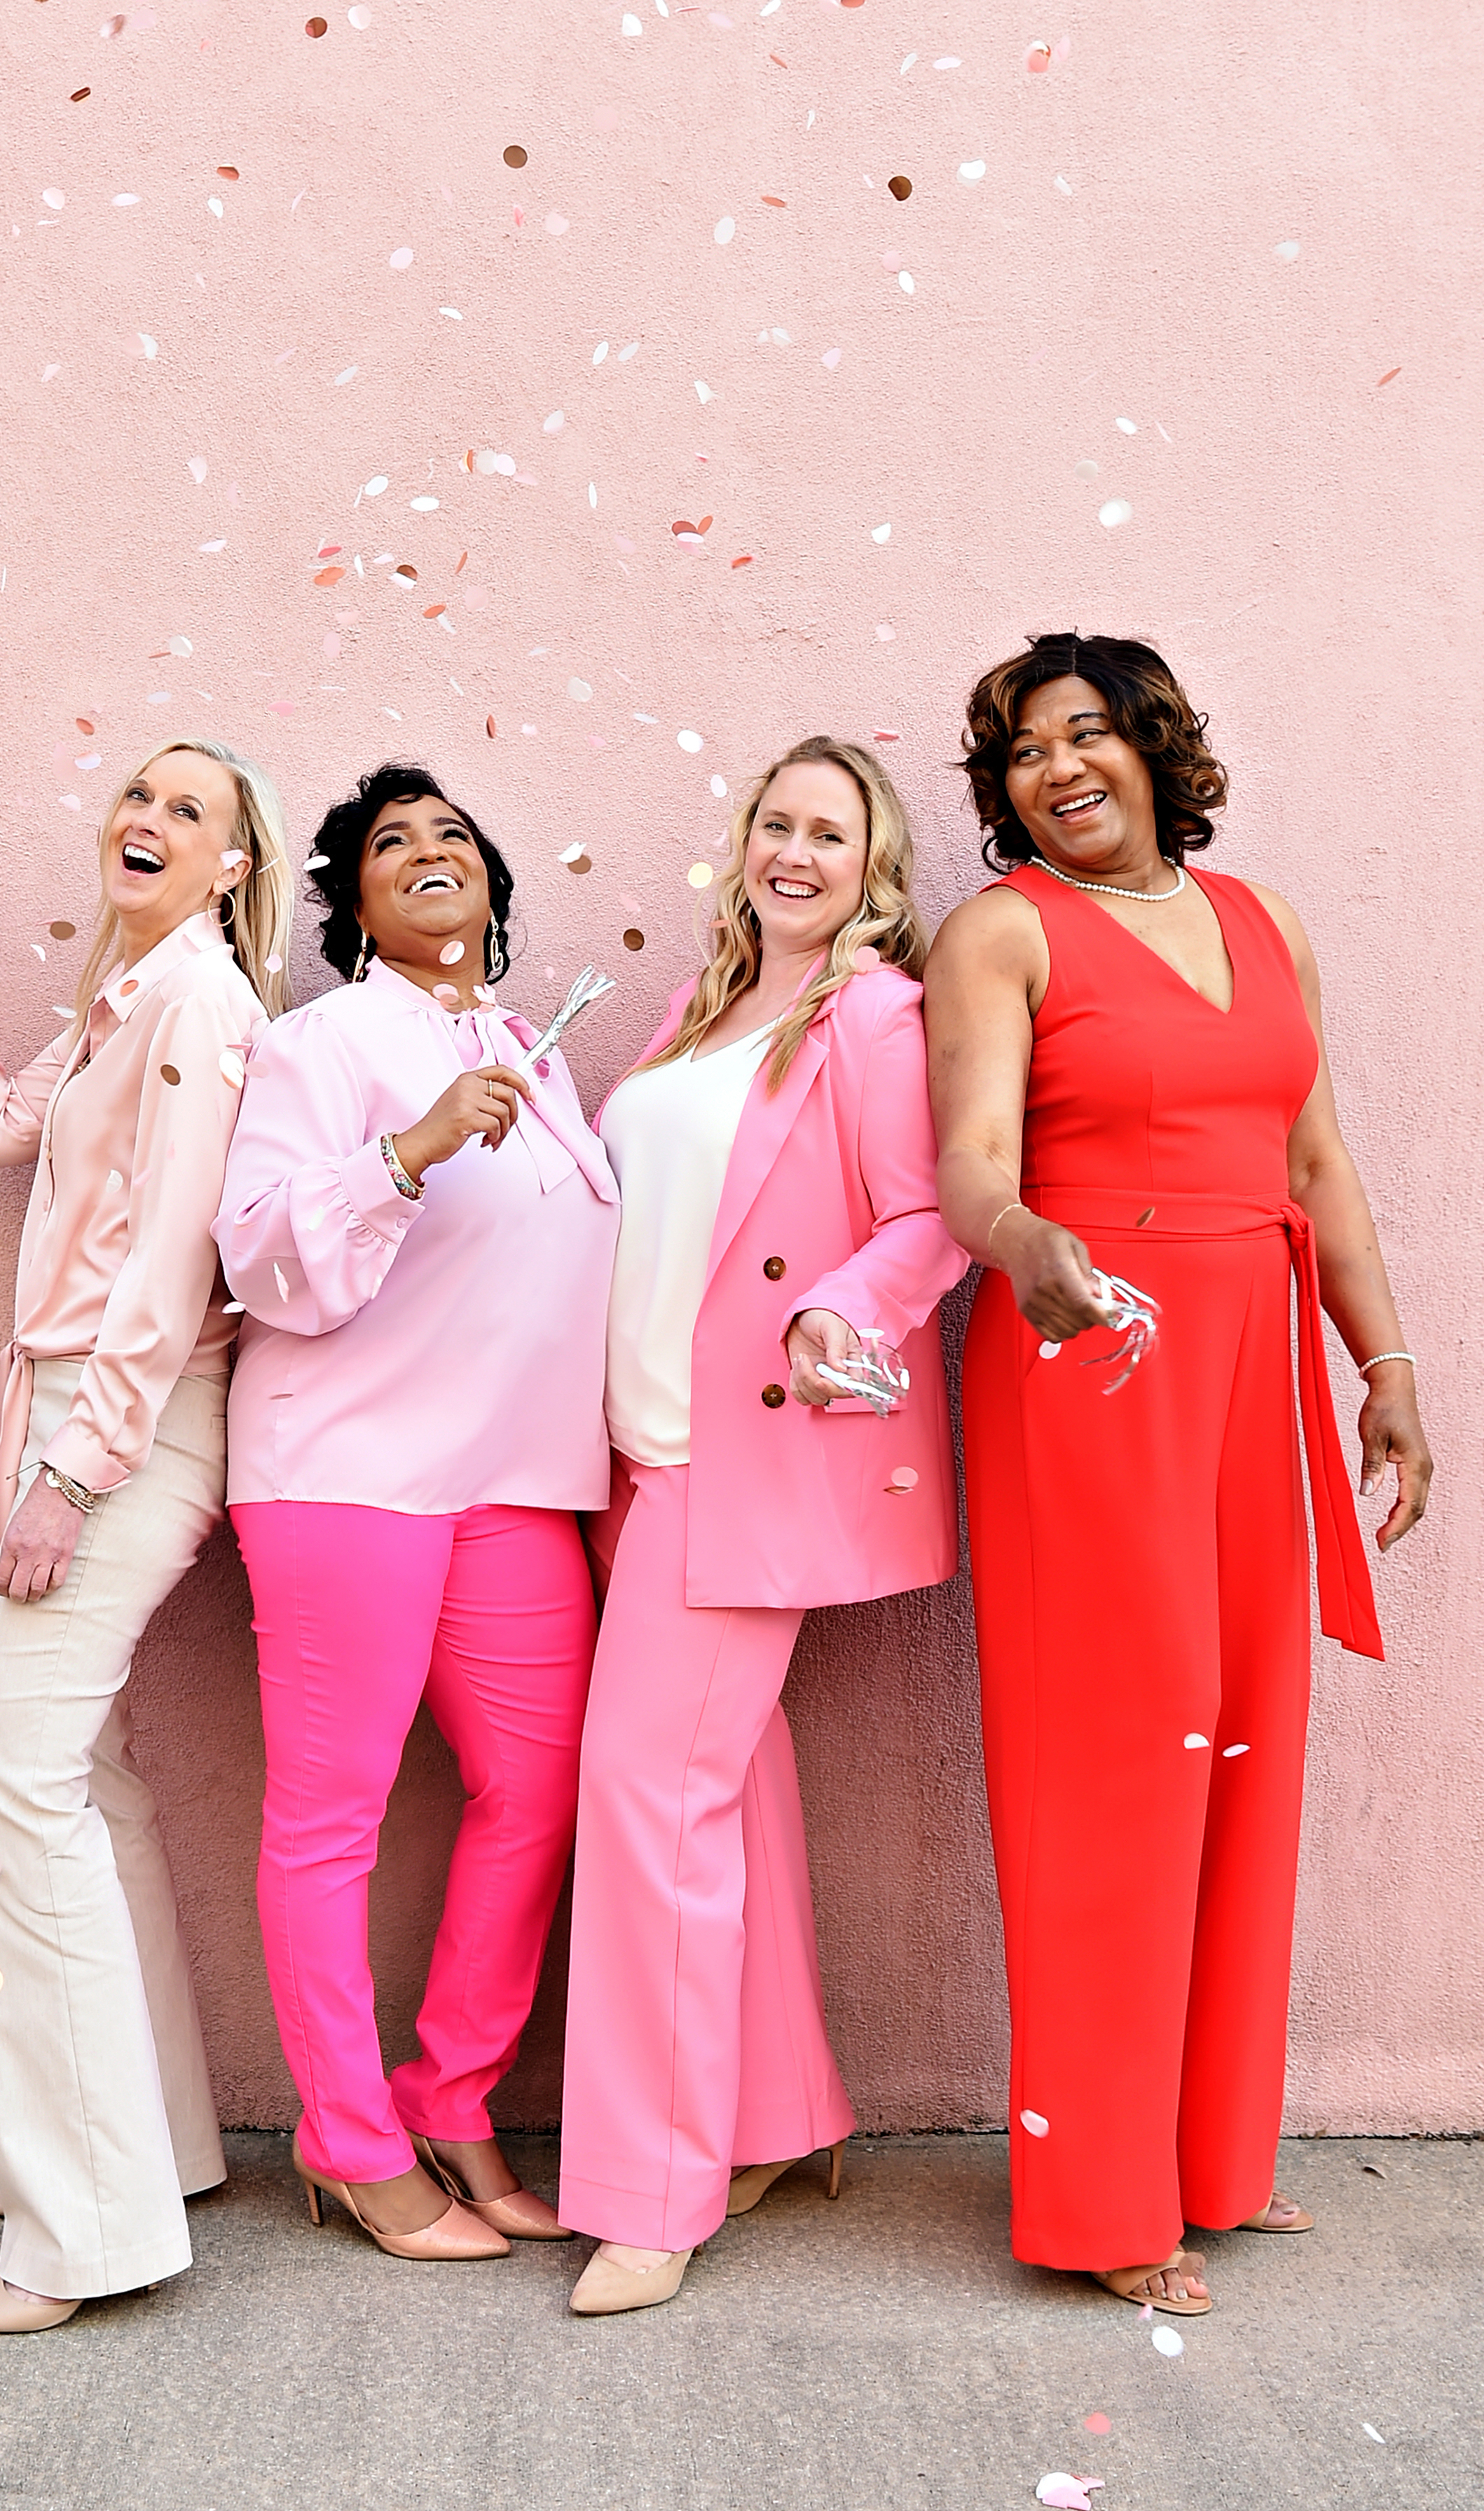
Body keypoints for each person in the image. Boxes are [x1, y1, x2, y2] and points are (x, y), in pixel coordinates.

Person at [924, 633, 1434, 2318]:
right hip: (1095, 1349)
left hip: (1252, 1359)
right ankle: (1100, 2197)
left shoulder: (1269, 922)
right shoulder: (1002, 935)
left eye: (1089, 736)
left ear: (1156, 747)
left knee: (1244, 1733)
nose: (1059, 770)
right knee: (1112, 1755)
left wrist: (1387, 1368)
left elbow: (1313, 1158)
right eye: (1022, 753)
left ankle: (1212, 2162)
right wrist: (1033, 1252)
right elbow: (973, 1175)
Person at [556, 736, 968, 2317]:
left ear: (873, 869)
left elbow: (929, 1214)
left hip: (746, 1463)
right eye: (776, 825)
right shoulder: (703, 1006)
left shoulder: (874, 1015)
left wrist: (844, 1316)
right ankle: (784, 2120)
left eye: (831, 834)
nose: (798, 852)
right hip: (641, 1460)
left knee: (647, 1795)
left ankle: (653, 2199)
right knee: (730, 1788)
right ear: (741, 845)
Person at [0, 739, 291, 2334]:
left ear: (235, 866)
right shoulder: (128, 998)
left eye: (190, 810)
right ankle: (154, 2155)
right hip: (67, 1415)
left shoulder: (199, 1005)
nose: (150, 819)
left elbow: (175, 1268)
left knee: (16, 1783)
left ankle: (81, 2235)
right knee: (89, 1782)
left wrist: (76, 1470)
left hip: (113, 1423)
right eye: (139, 795)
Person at [215, 764, 619, 2262]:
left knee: (541, 1785)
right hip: (347, 1474)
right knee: (331, 1823)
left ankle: (451, 2096)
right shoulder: (323, 1044)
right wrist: (416, 1145)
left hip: (512, 1481)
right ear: (355, 903)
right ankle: (348, 2141)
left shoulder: (534, 1052)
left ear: (494, 895)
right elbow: (262, 1253)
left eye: (457, 835)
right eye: (394, 845)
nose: (431, 853)